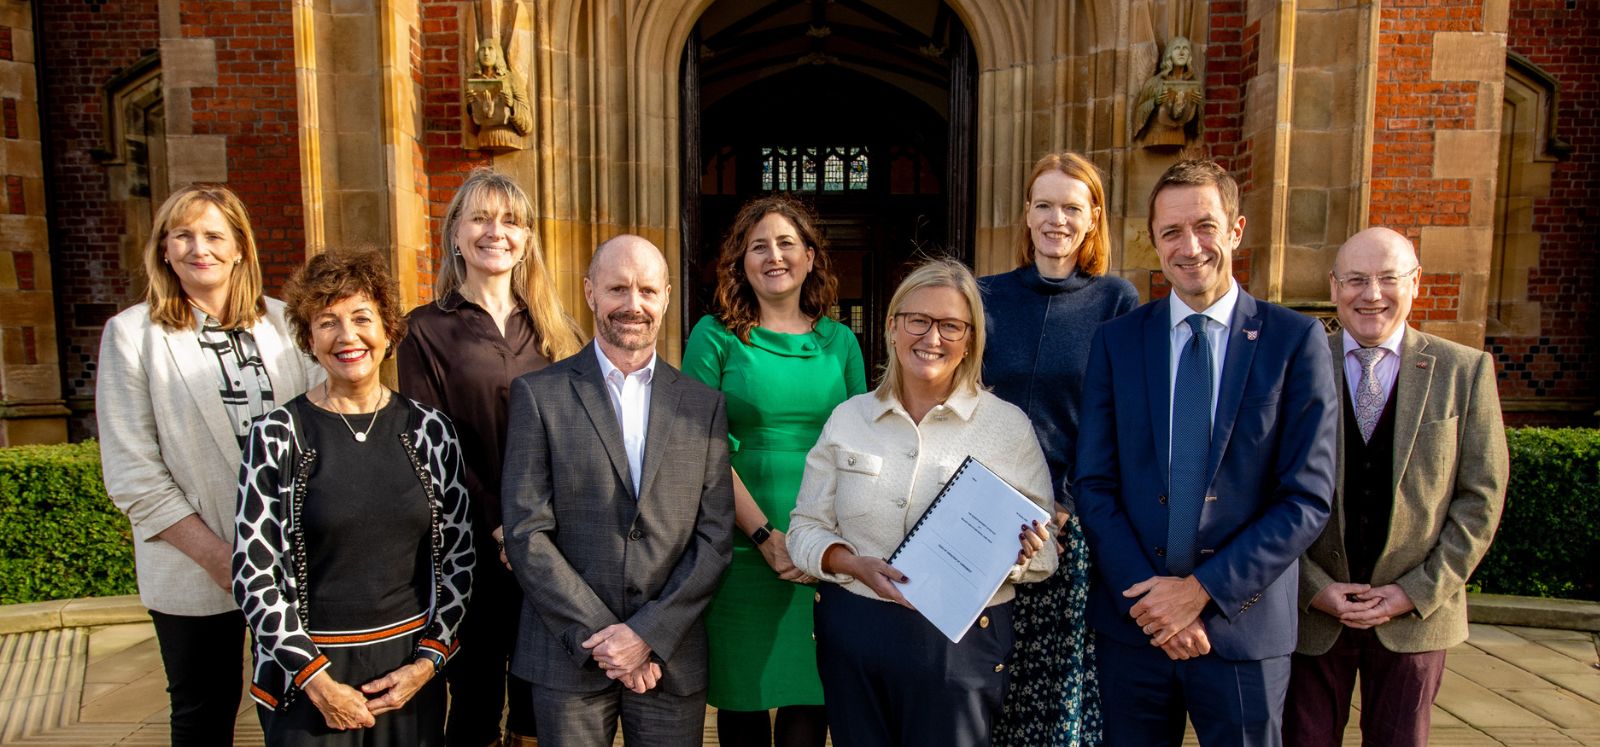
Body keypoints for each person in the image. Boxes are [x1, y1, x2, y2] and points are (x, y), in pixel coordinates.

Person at [1074, 159, 1339, 746]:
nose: (1189, 247)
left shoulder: (1295, 342)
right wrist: (1152, 602)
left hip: (1242, 630)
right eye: (1171, 232)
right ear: (1154, 243)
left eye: (1205, 226)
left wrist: (1199, 593)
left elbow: (1306, 497)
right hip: (1134, 632)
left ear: (1236, 230)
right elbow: (1092, 483)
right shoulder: (1118, 342)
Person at [788, 257, 1057, 747]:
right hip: (855, 630)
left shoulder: (1007, 427)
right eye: (918, 320)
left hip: (960, 646)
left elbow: (1048, 554)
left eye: (951, 325)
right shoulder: (849, 419)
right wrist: (850, 563)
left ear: (971, 339)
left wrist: (1021, 555)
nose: (932, 337)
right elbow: (804, 529)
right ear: (892, 327)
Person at [96, 184, 320, 746]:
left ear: (241, 247)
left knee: (299, 705)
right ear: (164, 250)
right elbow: (133, 474)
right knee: (204, 712)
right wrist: (221, 558)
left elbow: (326, 431)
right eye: (184, 235)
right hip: (195, 564)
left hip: (297, 561)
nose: (201, 248)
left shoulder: (288, 323)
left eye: (215, 235)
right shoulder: (132, 335)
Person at [233, 250, 475, 746]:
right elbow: (253, 575)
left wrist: (428, 662)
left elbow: (460, 562)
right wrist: (317, 681)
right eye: (327, 322)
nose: (347, 336)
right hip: (308, 679)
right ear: (308, 338)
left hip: (409, 672)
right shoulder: (277, 435)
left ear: (388, 331)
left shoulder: (431, 432)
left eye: (362, 318)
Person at [501, 234, 734, 746]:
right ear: (589, 293)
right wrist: (610, 641)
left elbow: (715, 538)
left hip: (669, 656)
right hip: (568, 657)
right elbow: (525, 532)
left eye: (648, 291)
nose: (634, 304)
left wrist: (646, 635)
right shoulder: (539, 396)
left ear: (667, 298)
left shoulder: (704, 406)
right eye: (618, 289)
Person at [1284, 227, 1508, 746]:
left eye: (1388, 279)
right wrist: (1312, 589)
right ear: (1335, 285)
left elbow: (1481, 499)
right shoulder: (1295, 364)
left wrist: (1414, 592)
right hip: (1313, 617)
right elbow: (1260, 490)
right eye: (1357, 280)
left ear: (1416, 283)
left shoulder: (1464, 371)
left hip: (1416, 617)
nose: (1372, 294)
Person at [398, 167, 582, 747]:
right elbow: (433, 442)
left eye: (510, 221)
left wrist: (536, 524)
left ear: (527, 239)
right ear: (455, 233)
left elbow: (576, 440)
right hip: (470, 545)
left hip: (551, 544)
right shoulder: (425, 330)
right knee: (475, 695)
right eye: (479, 217)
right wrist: (502, 526)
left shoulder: (558, 330)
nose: (494, 231)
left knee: (539, 697)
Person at [682, 195, 866, 747]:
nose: (774, 256)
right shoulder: (713, 337)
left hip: (825, 545)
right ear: (741, 262)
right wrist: (763, 535)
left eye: (787, 243)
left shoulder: (840, 342)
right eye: (758, 246)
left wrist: (825, 544)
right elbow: (699, 447)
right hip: (740, 544)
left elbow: (861, 446)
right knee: (745, 698)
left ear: (811, 257)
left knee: (810, 697)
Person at [981, 152, 1137, 746]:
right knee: (981, 676)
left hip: (1069, 525)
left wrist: (1064, 504)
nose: (1056, 219)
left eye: (1072, 207)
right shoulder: (985, 295)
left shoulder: (1115, 302)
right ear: (1026, 213)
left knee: (1055, 691)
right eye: (1044, 205)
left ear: (1093, 217)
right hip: (983, 513)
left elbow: (1114, 419)